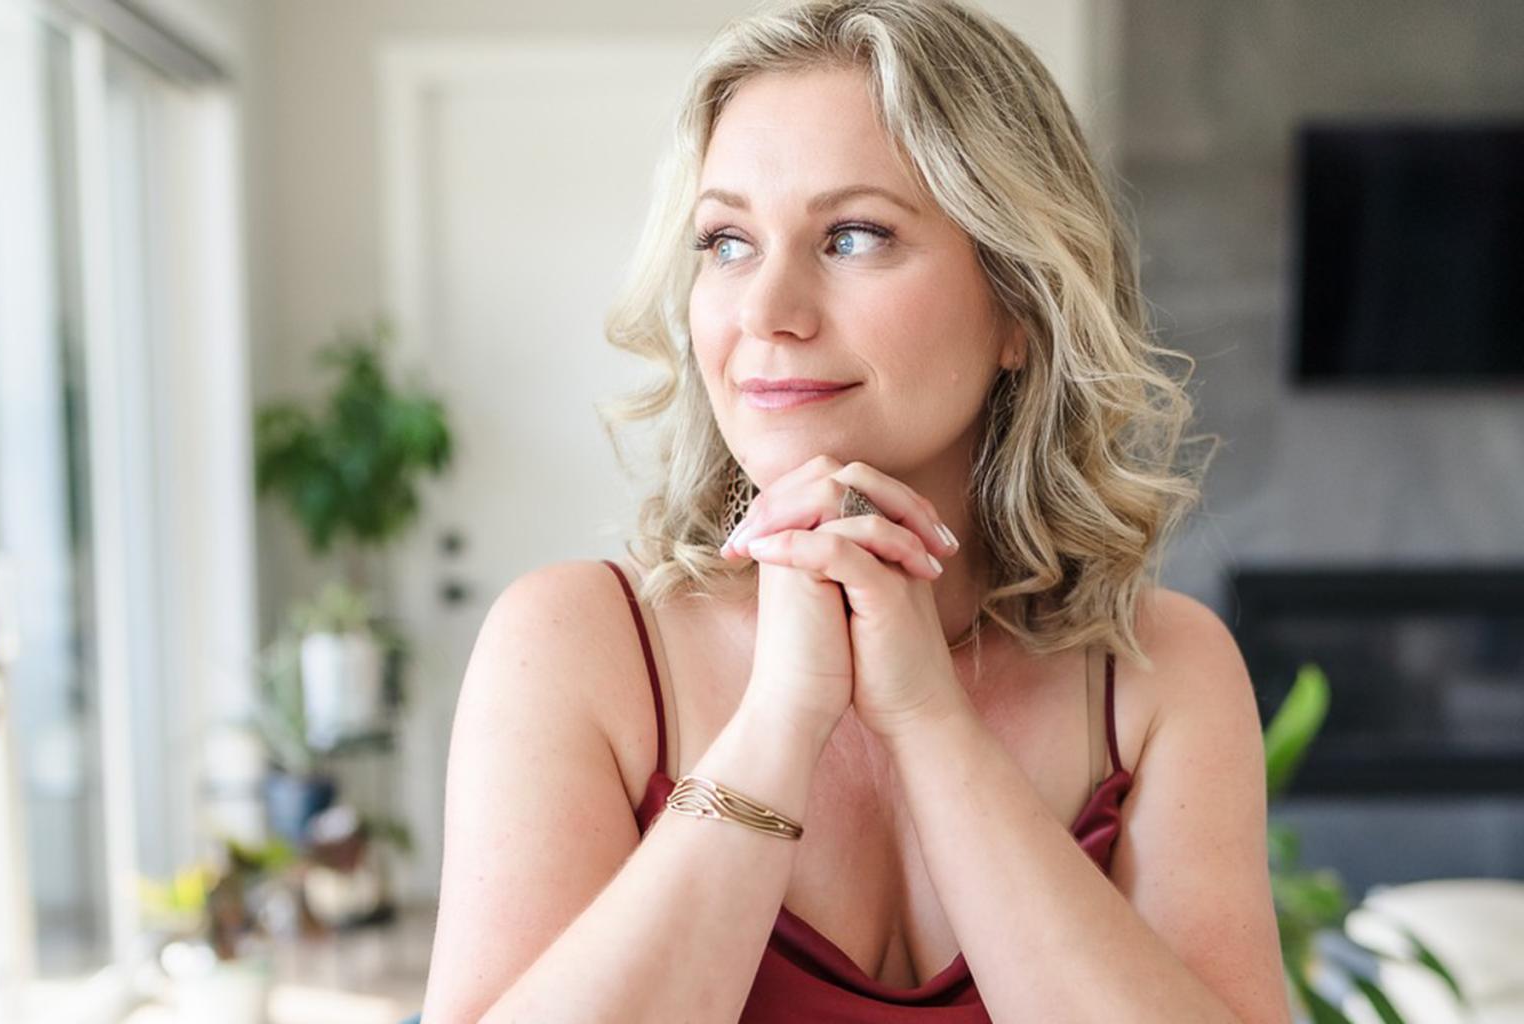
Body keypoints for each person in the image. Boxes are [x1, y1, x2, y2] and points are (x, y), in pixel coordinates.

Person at [421, 1, 1292, 1021]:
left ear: (1020, 302)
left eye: (852, 235)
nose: (765, 312)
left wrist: (928, 720)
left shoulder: (1159, 672)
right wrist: (780, 719)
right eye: (727, 242)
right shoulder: (576, 645)